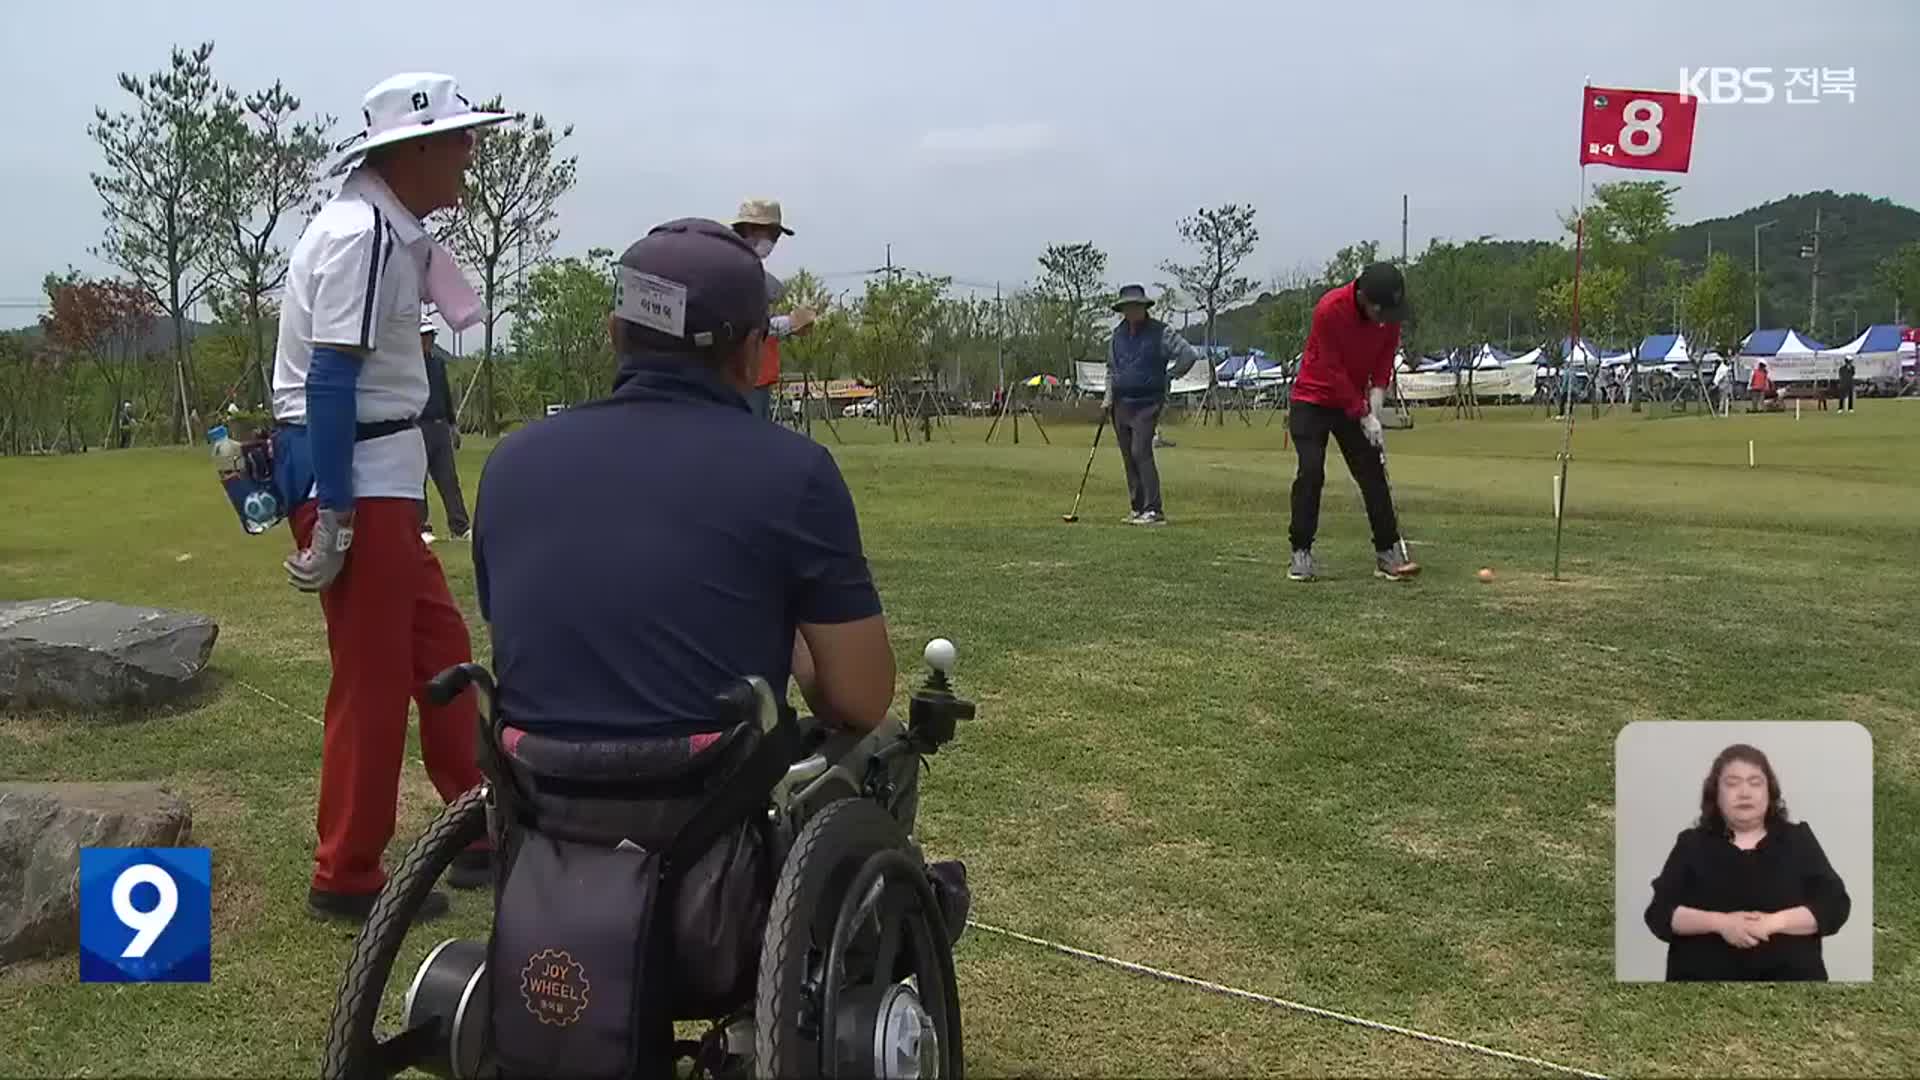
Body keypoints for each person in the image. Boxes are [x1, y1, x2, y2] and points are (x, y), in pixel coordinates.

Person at [470, 216, 966, 917]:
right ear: (752, 353)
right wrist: (788, 623)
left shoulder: (510, 464)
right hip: (709, 822)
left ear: (615, 336)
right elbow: (856, 699)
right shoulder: (794, 473)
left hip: (547, 799)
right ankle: (855, 946)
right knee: (886, 745)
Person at [271, 72, 515, 922]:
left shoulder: (387, 228)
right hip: (358, 482)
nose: (470, 152)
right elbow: (331, 376)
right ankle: (347, 876)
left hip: (384, 480)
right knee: (372, 682)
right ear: (412, 151)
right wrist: (334, 512)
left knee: (441, 651)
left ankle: (477, 825)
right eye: (458, 138)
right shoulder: (361, 234)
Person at [1644, 743, 1850, 981]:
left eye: (1755, 783)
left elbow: (1835, 904)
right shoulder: (1691, 844)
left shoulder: (1798, 840)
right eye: (1732, 783)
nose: (1744, 793)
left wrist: (1772, 923)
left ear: (1769, 792)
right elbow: (1659, 912)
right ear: (1715, 794)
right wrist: (1721, 923)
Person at [1285, 263, 1420, 582]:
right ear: (1361, 296)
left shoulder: (1388, 317)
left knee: (1373, 470)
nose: (1385, 318)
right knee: (1311, 470)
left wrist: (1375, 400)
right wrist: (1362, 413)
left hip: (1354, 401)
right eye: (1380, 309)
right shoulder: (1329, 309)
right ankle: (1300, 552)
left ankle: (1388, 552)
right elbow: (1331, 371)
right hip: (1312, 400)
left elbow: (1385, 359)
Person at [1101, 283, 1202, 525]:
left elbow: (1188, 355)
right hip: (1121, 402)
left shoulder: (1161, 332)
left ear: (1144, 307)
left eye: (1136, 306)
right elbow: (1110, 369)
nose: (1131, 311)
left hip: (1148, 402)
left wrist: (1169, 375)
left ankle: (1154, 509)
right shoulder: (1117, 335)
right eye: (1127, 307)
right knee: (1128, 454)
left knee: (1140, 450)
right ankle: (1137, 507)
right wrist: (1108, 398)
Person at [729, 198, 816, 420]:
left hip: (756, 375)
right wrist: (789, 323)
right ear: (751, 229)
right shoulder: (734, 270)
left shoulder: (749, 268)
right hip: (743, 378)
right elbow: (743, 324)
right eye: (774, 235)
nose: (775, 243)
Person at [415, 316, 471, 542]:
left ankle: (460, 527)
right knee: (418, 481)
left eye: (431, 336)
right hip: (417, 426)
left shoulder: (437, 364)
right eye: (425, 336)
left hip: (439, 427)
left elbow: (445, 396)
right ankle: (421, 527)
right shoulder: (407, 366)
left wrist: (453, 425)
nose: (428, 340)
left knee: (449, 479)